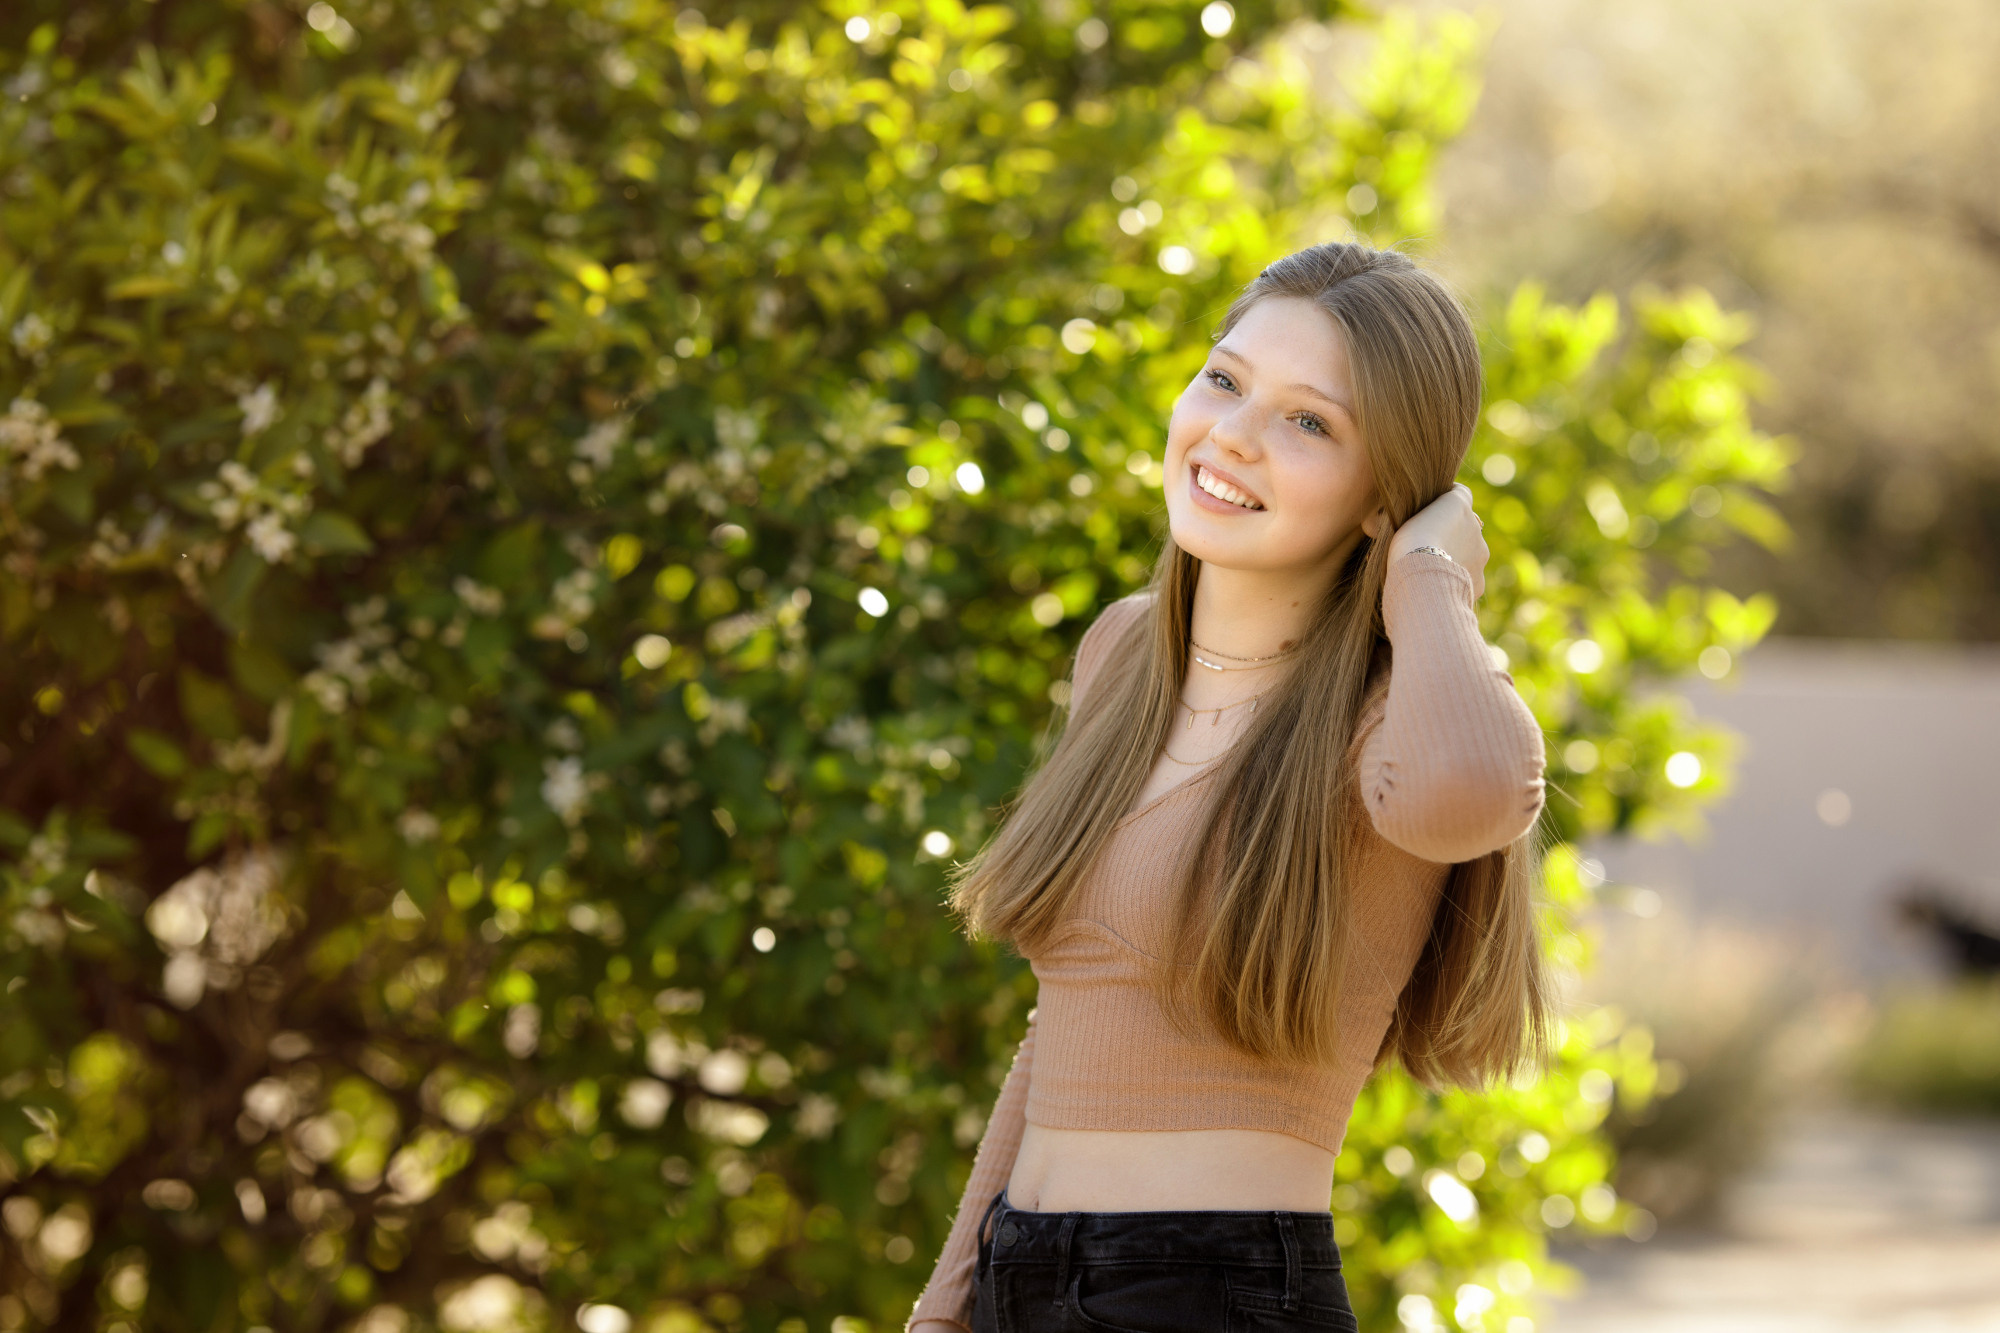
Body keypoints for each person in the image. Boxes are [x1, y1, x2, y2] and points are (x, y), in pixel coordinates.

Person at [905, 240, 1553, 1333]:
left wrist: (1431, 576)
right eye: (1223, 379)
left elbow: (1475, 794)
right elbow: (1058, 1029)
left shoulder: (1390, 715)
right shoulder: (1120, 654)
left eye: (1309, 422)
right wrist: (947, 1302)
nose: (1231, 437)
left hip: (1212, 1290)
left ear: (1379, 492)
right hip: (1021, 1272)